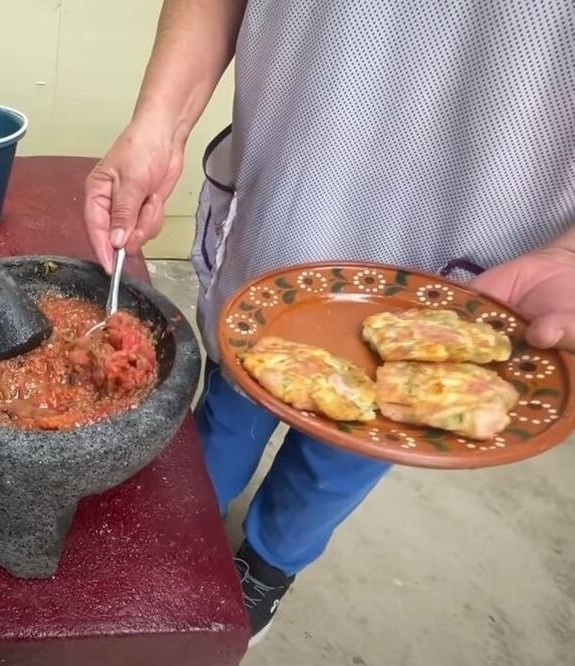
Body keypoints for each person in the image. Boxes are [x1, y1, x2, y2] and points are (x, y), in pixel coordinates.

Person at [83, 0, 575, 646]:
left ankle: (267, 563)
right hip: (288, 226)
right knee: (226, 415)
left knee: (337, 463)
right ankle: (183, 528)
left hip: (463, 279)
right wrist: (159, 121)